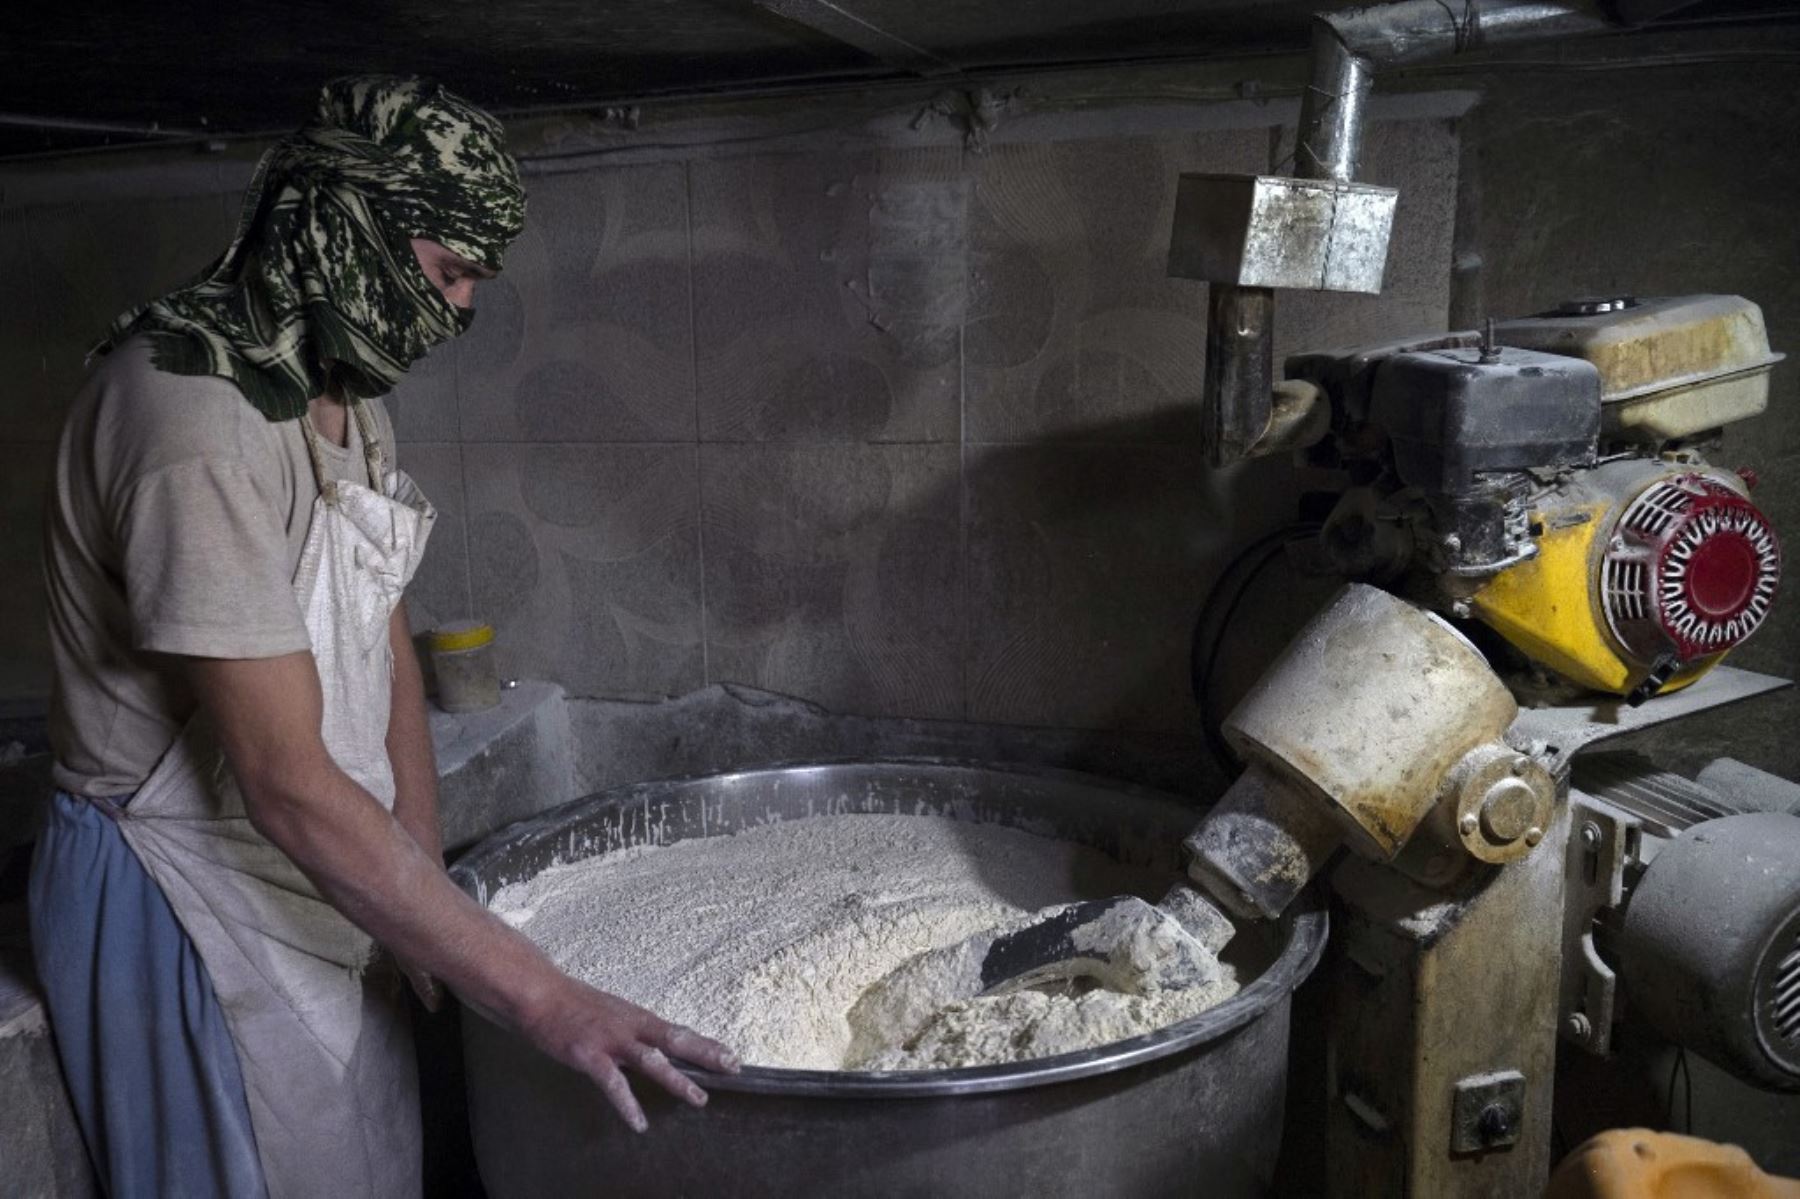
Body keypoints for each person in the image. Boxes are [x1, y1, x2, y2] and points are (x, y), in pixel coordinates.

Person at [30, 74, 738, 1199]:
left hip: (320, 857)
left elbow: (382, 629)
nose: (457, 312)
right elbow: (281, 780)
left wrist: (417, 867)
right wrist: (544, 998)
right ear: (347, 225)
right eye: (448, 273)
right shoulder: (193, 416)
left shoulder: (342, 387)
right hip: (181, 883)